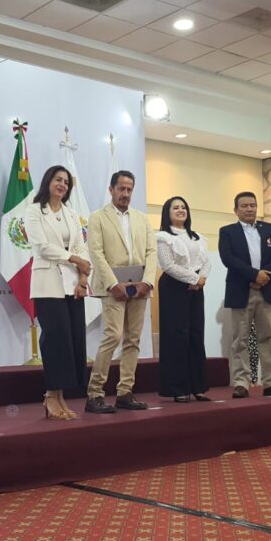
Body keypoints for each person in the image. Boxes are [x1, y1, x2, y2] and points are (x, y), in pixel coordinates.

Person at [85, 170, 158, 413]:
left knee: (133, 340)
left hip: (140, 287)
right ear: (111, 189)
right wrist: (112, 284)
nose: (125, 194)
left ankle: (125, 392)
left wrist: (147, 282)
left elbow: (151, 252)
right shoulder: (97, 217)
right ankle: (95, 393)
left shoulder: (142, 218)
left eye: (129, 189)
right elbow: (96, 253)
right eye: (121, 189)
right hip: (112, 287)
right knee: (113, 336)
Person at [22, 165, 91, 420]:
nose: (62, 184)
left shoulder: (72, 214)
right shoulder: (33, 211)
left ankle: (61, 396)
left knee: (73, 340)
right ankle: (51, 395)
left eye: (66, 182)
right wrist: (74, 258)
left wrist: (83, 279)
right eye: (58, 180)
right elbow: (41, 247)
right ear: (48, 181)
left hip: (72, 284)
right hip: (47, 284)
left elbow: (82, 247)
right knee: (55, 340)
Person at [218, 192, 271, 399]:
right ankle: (241, 383)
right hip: (241, 290)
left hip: (266, 289)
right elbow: (228, 259)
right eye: (244, 206)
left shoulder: (268, 229)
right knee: (240, 339)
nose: (249, 209)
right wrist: (253, 275)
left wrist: (263, 276)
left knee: (267, 337)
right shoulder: (227, 232)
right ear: (236, 210)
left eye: (253, 205)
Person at [156, 196, 212, 403]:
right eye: (175, 208)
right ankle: (178, 388)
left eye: (183, 207)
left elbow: (206, 262)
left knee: (196, 334)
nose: (180, 210)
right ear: (167, 213)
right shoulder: (163, 237)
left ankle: (198, 387)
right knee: (176, 337)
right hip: (173, 288)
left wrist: (201, 279)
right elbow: (168, 265)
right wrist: (194, 278)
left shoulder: (197, 237)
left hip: (196, 288)